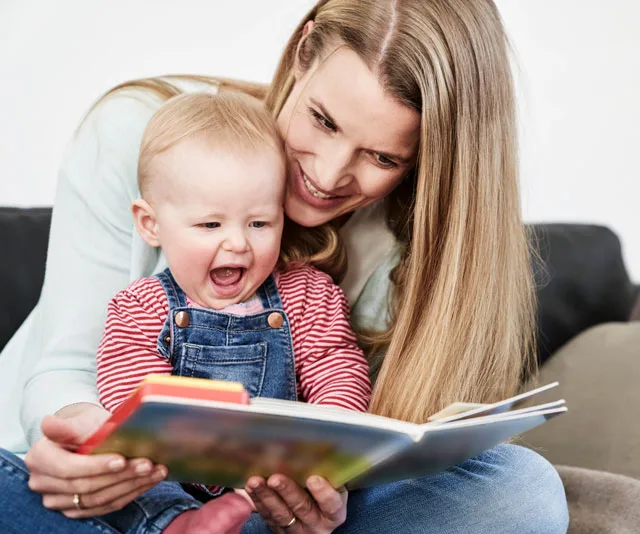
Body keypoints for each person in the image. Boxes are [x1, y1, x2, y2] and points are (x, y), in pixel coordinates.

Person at [0, 1, 569, 532]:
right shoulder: (144, 133)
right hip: (107, 480)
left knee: (523, 491)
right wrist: (84, 443)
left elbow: (342, 392)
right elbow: (75, 362)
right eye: (323, 120)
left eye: (383, 157)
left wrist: (329, 480)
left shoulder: (399, 254)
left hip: (257, 501)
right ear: (303, 53)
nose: (328, 173)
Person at [93, 90, 370, 533]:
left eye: (259, 223)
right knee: (127, 471)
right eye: (210, 224)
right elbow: (132, 397)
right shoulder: (142, 307)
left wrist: (329, 448)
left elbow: (338, 369)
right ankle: (178, 522)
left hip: (275, 487)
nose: (238, 243)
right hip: (174, 480)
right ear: (151, 224)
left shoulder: (307, 297)